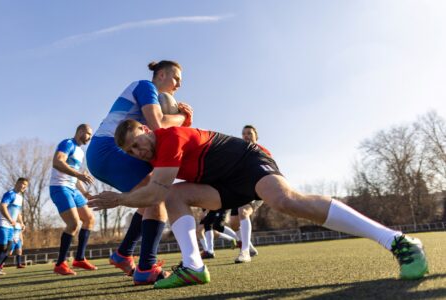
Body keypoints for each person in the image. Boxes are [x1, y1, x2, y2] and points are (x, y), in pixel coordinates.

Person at [89, 120, 429, 289]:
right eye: (132, 152)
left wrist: (118, 199)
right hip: (222, 184)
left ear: (148, 130)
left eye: (138, 143)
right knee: (177, 195)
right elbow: (160, 192)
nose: (138, 152)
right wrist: (128, 197)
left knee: (285, 200)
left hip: (247, 162)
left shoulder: (170, 138)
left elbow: (156, 189)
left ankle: (398, 240)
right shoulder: (155, 156)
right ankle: (193, 267)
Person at [86, 60, 193, 285]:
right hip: (108, 149)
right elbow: (159, 125)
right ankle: (146, 268)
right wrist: (183, 118)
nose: (178, 85)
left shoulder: (151, 95)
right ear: (162, 74)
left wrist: (182, 121)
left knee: (147, 199)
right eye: (176, 79)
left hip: (103, 152)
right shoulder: (146, 86)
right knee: (157, 196)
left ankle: (124, 254)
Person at [50, 124, 97, 275]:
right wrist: (79, 175)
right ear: (80, 131)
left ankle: (79, 259)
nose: (89, 137)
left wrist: (85, 193)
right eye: (88, 134)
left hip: (73, 189)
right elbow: (57, 162)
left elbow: (75, 176)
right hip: (60, 187)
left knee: (89, 219)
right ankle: (60, 264)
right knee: (73, 223)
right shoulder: (67, 143)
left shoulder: (80, 152)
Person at [231, 125, 267, 263]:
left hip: (258, 189)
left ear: (256, 136)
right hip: (240, 190)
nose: (246, 135)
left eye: (249, 133)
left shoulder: (263, 152)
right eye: (244, 133)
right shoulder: (238, 152)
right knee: (233, 223)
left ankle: (244, 252)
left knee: (244, 211)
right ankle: (250, 247)